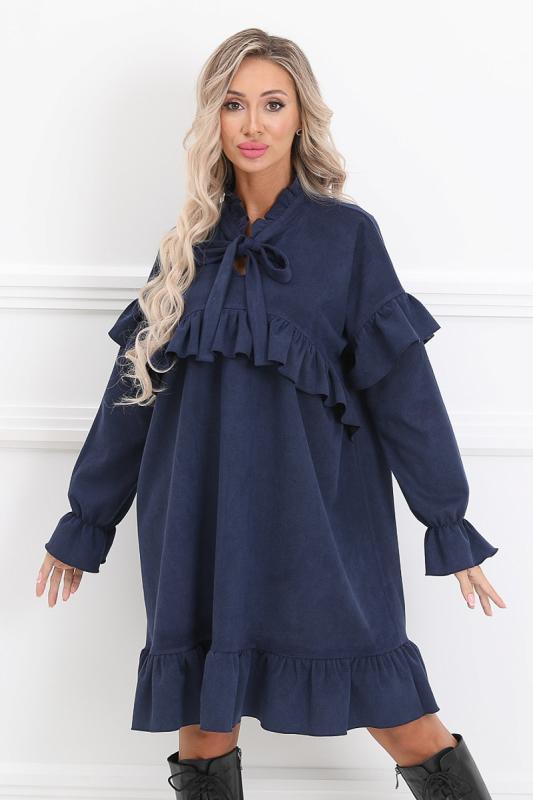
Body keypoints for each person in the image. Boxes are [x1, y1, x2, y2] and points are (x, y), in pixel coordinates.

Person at [36, 28, 506, 800]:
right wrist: (85, 523)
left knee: (400, 714)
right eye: (233, 105)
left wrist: (446, 522)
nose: (252, 124)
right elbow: (130, 401)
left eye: (272, 104)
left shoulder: (346, 238)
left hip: (318, 523)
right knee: (202, 724)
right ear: (212, 120)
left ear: (299, 117)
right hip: (197, 520)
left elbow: (405, 394)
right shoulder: (184, 249)